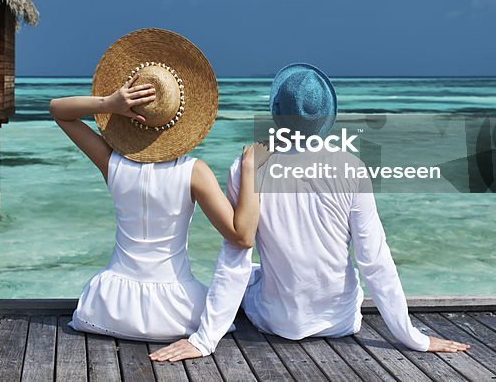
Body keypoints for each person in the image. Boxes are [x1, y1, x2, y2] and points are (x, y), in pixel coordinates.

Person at [150, 63, 470, 361]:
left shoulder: (248, 167)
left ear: (276, 113)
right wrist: (414, 338)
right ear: (326, 115)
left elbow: (235, 258)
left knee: (251, 272)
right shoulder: (352, 169)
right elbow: (375, 261)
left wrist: (204, 340)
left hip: (277, 323)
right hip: (342, 321)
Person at [49, 28, 260, 343]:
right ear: (183, 115)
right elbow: (242, 237)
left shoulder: (113, 165)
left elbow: (59, 111)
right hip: (176, 314)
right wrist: (251, 173)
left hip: (107, 308)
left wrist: (108, 103)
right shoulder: (194, 172)